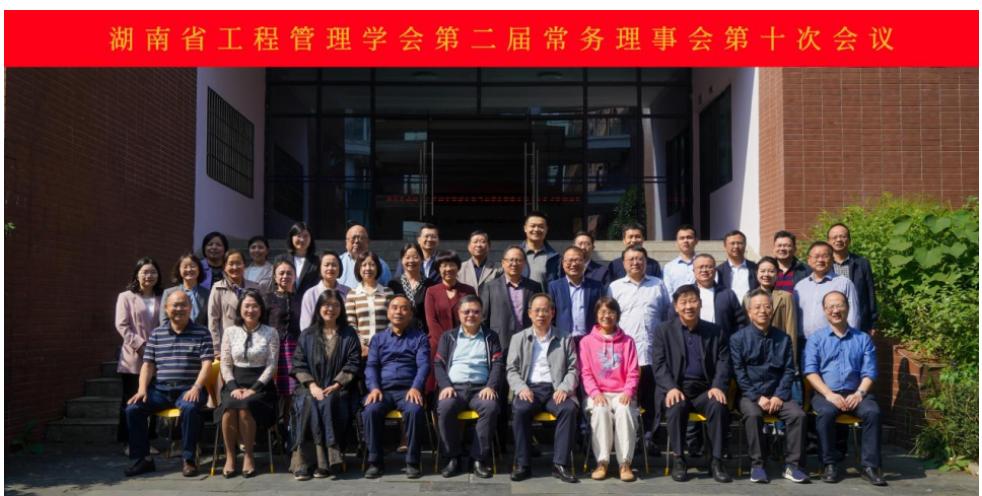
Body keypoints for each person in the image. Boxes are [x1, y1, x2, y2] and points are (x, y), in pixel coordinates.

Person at [123, 291, 214, 477]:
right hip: (161, 390)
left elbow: (207, 364)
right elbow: (148, 365)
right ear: (166, 308)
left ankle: (188, 459)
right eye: (174, 305)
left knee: (189, 408)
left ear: (190, 308)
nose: (179, 309)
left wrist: (196, 387)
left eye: (183, 305)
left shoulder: (202, 332)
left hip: (189, 389)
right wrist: (142, 389)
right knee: (133, 409)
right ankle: (143, 459)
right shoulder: (157, 334)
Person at [804, 291, 886, 486]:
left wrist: (859, 393)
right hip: (826, 393)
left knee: (873, 412)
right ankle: (829, 464)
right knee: (825, 413)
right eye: (830, 306)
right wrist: (829, 394)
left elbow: (870, 372)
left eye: (839, 305)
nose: (835, 310)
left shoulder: (863, 339)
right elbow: (810, 371)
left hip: (856, 392)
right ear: (824, 310)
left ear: (847, 308)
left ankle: (870, 466)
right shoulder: (816, 339)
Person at [652, 284, 732, 483]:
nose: (689, 306)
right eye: (684, 302)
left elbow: (724, 362)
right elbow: (659, 365)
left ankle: (716, 460)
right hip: (677, 388)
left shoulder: (715, 331)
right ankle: (679, 459)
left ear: (701, 304)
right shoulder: (663, 331)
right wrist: (671, 388)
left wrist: (717, 386)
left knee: (718, 405)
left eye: (693, 301)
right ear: (676, 307)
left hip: (706, 389)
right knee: (675, 406)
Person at [730, 288, 808, 484]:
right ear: (749, 312)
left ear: (772, 310)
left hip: (777, 395)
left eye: (767, 306)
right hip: (750, 396)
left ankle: (792, 465)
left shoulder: (783, 338)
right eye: (757, 307)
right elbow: (739, 373)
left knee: (797, 415)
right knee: (753, 414)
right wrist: (757, 397)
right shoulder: (738, 339)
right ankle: (757, 465)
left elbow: (789, 370)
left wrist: (779, 396)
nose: (762, 311)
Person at [289, 289, 361, 481]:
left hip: (339, 389)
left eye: (336, 305)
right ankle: (303, 463)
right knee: (309, 402)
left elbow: (353, 363)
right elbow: (298, 364)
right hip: (309, 387)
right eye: (326, 305)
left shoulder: (348, 334)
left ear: (341, 308)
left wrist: (337, 384)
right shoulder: (307, 334)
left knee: (328, 402)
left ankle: (326, 462)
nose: (331, 309)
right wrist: (312, 386)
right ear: (319, 307)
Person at [506, 294, 579, 483]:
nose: (541, 314)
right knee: (520, 409)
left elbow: (573, 368)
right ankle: (523, 464)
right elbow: (511, 369)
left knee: (568, 409)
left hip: (555, 389)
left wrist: (564, 388)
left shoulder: (564, 337)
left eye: (545, 310)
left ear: (552, 313)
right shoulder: (519, 338)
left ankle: (560, 464)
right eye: (537, 310)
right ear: (529, 313)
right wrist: (521, 388)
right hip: (529, 389)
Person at [606, 245, 671, 446]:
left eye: (640, 259)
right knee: (627, 399)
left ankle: (650, 438)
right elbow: (609, 320)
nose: (636, 262)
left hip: (652, 352)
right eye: (631, 259)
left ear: (646, 262)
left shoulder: (658, 285)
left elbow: (666, 315)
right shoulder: (614, 287)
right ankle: (628, 439)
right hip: (625, 355)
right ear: (623, 263)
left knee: (652, 399)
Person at [434, 295, 504, 479]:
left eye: (475, 311)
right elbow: (439, 364)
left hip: (481, 389)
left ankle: (477, 459)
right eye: (466, 311)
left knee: (490, 407)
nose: (471, 315)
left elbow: (498, 364)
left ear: (482, 314)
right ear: (459, 314)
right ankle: (453, 457)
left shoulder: (491, 336)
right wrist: (445, 386)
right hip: (454, 388)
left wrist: (491, 386)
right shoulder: (448, 336)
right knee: (445, 407)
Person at [362, 296, 431, 479]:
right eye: (394, 307)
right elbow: (371, 366)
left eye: (404, 308)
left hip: (408, 390)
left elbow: (424, 365)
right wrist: (374, 388)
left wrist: (416, 387)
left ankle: (412, 462)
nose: (398, 312)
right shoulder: (378, 339)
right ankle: (375, 462)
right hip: (383, 391)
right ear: (388, 312)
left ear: (410, 314)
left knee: (415, 410)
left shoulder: (419, 338)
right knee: (370, 410)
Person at [217, 289, 279, 478]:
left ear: (261, 309)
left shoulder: (271, 332)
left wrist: (254, 389)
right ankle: (230, 456)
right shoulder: (230, 332)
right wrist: (233, 387)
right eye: (246, 306)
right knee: (229, 406)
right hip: (234, 383)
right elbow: (225, 364)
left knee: (245, 406)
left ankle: (248, 455)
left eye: (254, 306)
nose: (250, 310)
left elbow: (272, 365)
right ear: (240, 309)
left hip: (261, 386)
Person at [579, 297, 640, 482]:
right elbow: (585, 372)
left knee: (624, 411)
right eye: (602, 312)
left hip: (622, 392)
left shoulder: (628, 341)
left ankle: (625, 463)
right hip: (598, 393)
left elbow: (634, 372)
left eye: (611, 312)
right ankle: (602, 462)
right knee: (600, 411)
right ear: (596, 315)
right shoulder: (586, 342)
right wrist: (595, 393)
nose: (607, 316)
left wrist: (628, 392)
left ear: (617, 315)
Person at [115, 257, 163, 453]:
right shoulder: (126, 297)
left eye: (153, 272)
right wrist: (141, 345)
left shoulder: (162, 297)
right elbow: (122, 325)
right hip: (133, 357)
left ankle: (147, 441)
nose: (149, 276)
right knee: (131, 400)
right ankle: (129, 442)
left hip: (158, 357)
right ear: (137, 274)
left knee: (151, 400)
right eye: (145, 272)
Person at [424, 251, 477, 392]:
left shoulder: (468, 290)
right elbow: (431, 321)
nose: (448, 269)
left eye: (451, 265)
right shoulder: (431, 291)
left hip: (464, 344)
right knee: (434, 384)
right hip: (437, 344)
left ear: (458, 267)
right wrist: (446, 343)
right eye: (444, 265)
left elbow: (473, 318)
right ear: (438, 269)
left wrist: (460, 341)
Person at [479, 245, 543, 360]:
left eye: (518, 260)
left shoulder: (534, 287)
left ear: (524, 263)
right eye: (510, 260)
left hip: (528, 343)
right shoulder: (490, 287)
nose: (514, 264)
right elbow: (483, 319)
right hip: (499, 344)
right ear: (503, 263)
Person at [794, 241, 860, 343]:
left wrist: (849, 341)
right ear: (809, 260)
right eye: (816, 256)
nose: (820, 260)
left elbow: (853, 316)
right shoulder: (800, 286)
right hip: (804, 343)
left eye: (825, 256)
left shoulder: (844, 283)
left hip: (834, 341)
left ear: (832, 259)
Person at [743, 256, 800, 372]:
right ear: (757, 273)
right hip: (755, 352)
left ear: (777, 274)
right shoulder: (748, 297)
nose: (766, 274)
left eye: (771, 271)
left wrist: (792, 362)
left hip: (779, 351)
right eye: (762, 271)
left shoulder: (786, 297)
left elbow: (791, 329)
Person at [263, 259, 302, 417]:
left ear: (295, 276)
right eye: (281, 273)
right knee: (274, 388)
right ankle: (274, 424)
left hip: (294, 348)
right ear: (274, 276)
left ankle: (289, 423)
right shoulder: (267, 298)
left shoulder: (300, 298)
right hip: (273, 347)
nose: (285, 276)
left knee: (291, 390)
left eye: (289, 273)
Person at [828, 223, 879, 333]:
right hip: (831, 320)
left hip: (858, 320)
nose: (838, 240)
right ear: (828, 241)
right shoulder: (825, 265)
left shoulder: (862, 264)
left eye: (842, 236)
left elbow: (870, 293)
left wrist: (873, 322)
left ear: (849, 240)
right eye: (834, 237)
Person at [344, 250, 395, 357]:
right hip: (361, 351)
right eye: (364, 265)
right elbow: (351, 323)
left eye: (372, 265)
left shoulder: (388, 293)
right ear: (358, 268)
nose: (368, 268)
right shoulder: (352, 294)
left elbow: (392, 321)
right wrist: (361, 344)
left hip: (385, 349)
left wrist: (384, 342)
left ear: (378, 268)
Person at [207, 249, 260, 351]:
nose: (235, 267)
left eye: (238, 263)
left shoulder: (255, 288)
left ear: (244, 265)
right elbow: (213, 321)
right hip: (227, 345)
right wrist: (216, 348)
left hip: (252, 344)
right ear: (224, 267)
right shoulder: (217, 288)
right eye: (231, 264)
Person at [549, 246, 604, 340]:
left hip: (590, 339)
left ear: (584, 263)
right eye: (570, 260)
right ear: (563, 263)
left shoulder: (596, 287)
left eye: (577, 260)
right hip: (563, 339)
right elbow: (550, 315)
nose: (573, 264)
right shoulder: (554, 287)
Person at [693, 254, 748, 335]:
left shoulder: (727, 294)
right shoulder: (686, 294)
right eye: (700, 267)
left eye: (709, 267)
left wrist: (733, 339)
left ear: (715, 270)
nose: (704, 270)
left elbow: (740, 322)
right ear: (694, 270)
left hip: (722, 341)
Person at [299, 251, 350, 330]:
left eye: (334, 265)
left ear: (340, 268)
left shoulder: (348, 292)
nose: (330, 268)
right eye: (326, 265)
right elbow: (305, 325)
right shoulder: (310, 294)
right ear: (320, 268)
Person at [386, 242, 430, 332]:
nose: (411, 261)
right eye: (407, 257)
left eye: (415, 257)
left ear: (422, 259)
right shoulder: (393, 284)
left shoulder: (430, 284)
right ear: (401, 260)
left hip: (423, 333)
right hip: (399, 332)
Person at [161, 253, 210, 328]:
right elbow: (164, 320)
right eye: (185, 267)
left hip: (200, 334)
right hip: (174, 334)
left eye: (192, 266)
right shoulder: (169, 293)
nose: (189, 269)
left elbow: (209, 320)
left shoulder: (207, 294)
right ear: (179, 270)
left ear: (199, 269)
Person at [338, 223, 392, 288]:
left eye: (361, 238)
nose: (357, 241)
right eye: (353, 238)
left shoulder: (381, 264)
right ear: (346, 242)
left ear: (368, 242)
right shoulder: (338, 262)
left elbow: (387, 287)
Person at [716, 230, 758, 302]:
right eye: (732, 243)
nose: (736, 246)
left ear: (745, 245)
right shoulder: (719, 271)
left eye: (739, 243)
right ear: (725, 246)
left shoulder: (755, 268)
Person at [521, 211, 560, 286]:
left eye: (541, 226)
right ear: (525, 228)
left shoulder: (555, 258)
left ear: (546, 229)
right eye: (532, 226)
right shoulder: (515, 254)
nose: (536, 229)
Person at [662, 225, 698, 295]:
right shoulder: (669, 267)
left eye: (689, 237)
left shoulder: (703, 264)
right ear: (677, 242)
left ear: (696, 241)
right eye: (682, 238)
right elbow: (668, 292)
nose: (685, 241)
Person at [287, 222, 320, 296]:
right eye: (298, 236)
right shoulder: (282, 260)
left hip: (309, 300)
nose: (302, 239)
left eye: (305, 236)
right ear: (291, 237)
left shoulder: (317, 261)